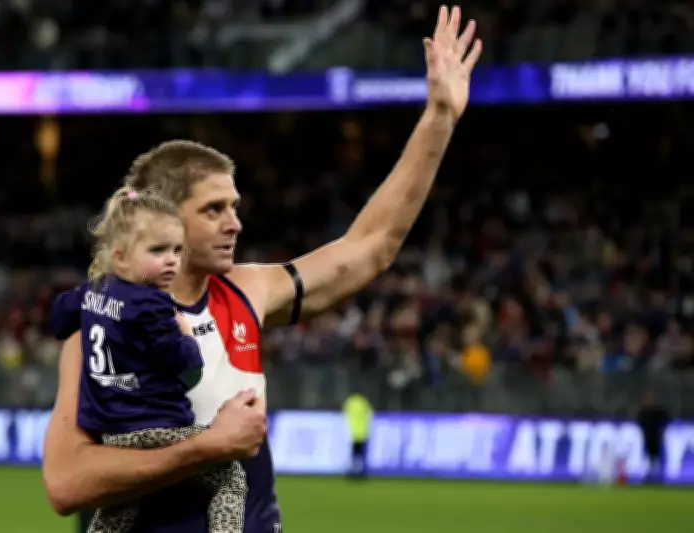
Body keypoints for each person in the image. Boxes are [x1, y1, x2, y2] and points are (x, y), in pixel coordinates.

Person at [42, 6, 482, 532]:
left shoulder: (248, 291)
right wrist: (208, 447)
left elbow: (371, 246)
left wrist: (438, 118)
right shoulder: (101, 325)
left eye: (234, 206)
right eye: (214, 210)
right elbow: (67, 483)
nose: (235, 224)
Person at [48, 187, 247, 533]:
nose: (171, 260)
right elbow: (180, 362)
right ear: (121, 257)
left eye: (176, 250)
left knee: (120, 505)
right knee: (231, 475)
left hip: (111, 434)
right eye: (158, 250)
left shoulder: (93, 291)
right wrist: (186, 336)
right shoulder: (153, 304)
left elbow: (58, 318)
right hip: (156, 429)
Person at [342, 390, 374, 480]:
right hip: (363, 432)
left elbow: (345, 414)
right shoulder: (364, 401)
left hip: (353, 433)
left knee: (354, 454)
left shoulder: (350, 401)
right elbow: (370, 414)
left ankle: (353, 472)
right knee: (361, 454)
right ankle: (361, 472)